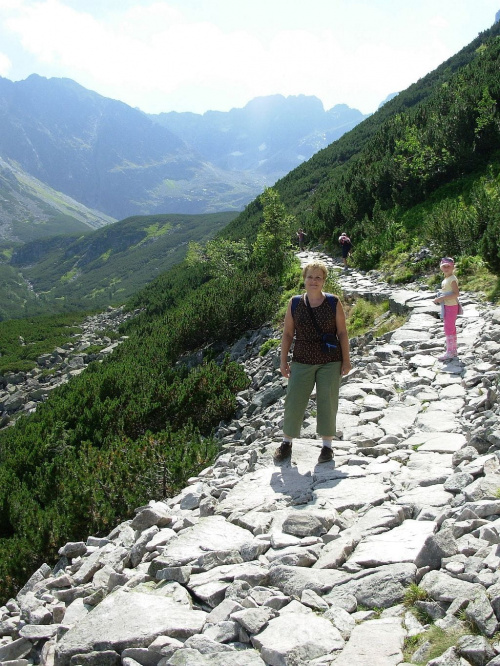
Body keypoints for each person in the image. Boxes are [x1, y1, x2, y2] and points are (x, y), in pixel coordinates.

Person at [275, 261, 351, 465]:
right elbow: (288, 333)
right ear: (304, 279)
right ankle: (286, 442)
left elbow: (342, 332)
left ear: (324, 280)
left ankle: (327, 447)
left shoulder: (334, 302)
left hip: (330, 360)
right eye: (310, 277)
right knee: (294, 401)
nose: (314, 281)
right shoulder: (295, 303)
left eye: (318, 277)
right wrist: (283, 361)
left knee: (328, 401)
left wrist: (346, 360)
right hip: (302, 359)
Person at [433, 257, 460, 361]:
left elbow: (456, 294)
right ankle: (452, 350)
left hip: (451, 306)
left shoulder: (452, 279)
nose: (446, 268)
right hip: (448, 305)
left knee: (448, 328)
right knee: (450, 328)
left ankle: (450, 352)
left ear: (453, 267)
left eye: (448, 266)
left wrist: (442, 298)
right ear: (441, 268)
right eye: (444, 266)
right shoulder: (447, 279)